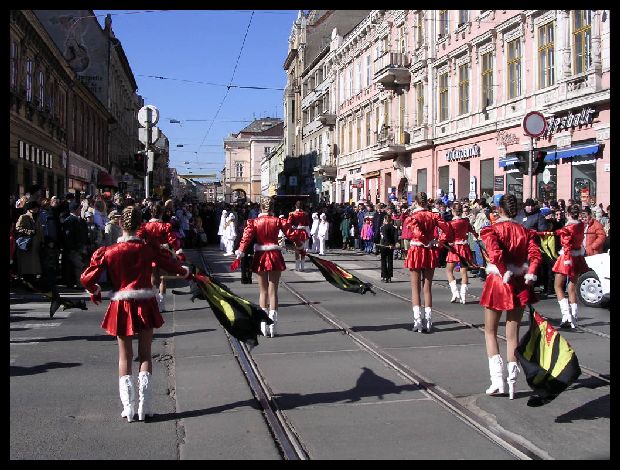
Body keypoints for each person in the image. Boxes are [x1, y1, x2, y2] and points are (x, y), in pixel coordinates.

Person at [81, 206, 192, 422]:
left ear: (120, 224)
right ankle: (145, 406)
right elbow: (171, 264)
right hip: (145, 303)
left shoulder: (109, 251)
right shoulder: (148, 249)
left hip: (121, 305)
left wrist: (94, 290)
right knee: (145, 354)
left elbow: (87, 278)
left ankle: (129, 408)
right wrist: (186, 272)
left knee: (125, 357)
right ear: (140, 225)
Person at [478, 194, 542, 400]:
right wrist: (530, 272)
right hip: (520, 281)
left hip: (499, 281)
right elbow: (535, 255)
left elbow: (495, 254)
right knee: (512, 333)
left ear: (500, 210)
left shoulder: (493, 229)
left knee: (490, 331)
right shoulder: (525, 231)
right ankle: (513, 381)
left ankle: (498, 381)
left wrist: (503, 269)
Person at [234, 197, 306, 337]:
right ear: (272, 208)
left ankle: (263, 326)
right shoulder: (278, 221)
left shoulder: (254, 222)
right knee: (273, 291)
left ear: (260, 207)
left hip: (260, 256)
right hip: (274, 255)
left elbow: (246, 238)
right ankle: (273, 326)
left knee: (263, 292)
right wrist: (299, 245)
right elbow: (292, 234)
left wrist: (240, 252)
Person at [404, 192, 453, 333]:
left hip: (416, 250)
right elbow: (448, 229)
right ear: (426, 202)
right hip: (429, 250)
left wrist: (426, 241)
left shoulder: (413, 217)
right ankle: (428, 321)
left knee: (415, 289)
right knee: (427, 288)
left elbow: (417, 233)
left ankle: (418, 322)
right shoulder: (433, 215)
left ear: (416, 202)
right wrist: (437, 242)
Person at [136, 203, 182, 313]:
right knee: (162, 279)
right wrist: (176, 250)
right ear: (161, 213)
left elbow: (138, 238)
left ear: (150, 213)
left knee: (152, 280)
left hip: (150, 255)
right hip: (163, 254)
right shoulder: (165, 226)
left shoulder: (145, 226)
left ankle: (154, 302)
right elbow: (173, 240)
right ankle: (161, 304)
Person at [551, 204, 588, 329]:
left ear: (568, 214)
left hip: (567, 258)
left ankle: (566, 315)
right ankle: (574, 317)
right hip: (577, 256)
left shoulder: (568, 228)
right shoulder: (581, 225)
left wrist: (567, 260)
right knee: (572, 287)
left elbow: (566, 245)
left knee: (557, 286)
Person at [442, 202, 477, 304]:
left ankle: (455, 292)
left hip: (454, 248)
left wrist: (443, 242)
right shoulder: (465, 222)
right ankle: (463, 295)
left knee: (449, 270)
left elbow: (444, 237)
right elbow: (473, 231)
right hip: (464, 247)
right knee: (464, 272)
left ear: (453, 211)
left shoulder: (450, 224)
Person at [60, 202, 89, 289]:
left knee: (82, 266)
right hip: (74, 248)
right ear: (75, 210)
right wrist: (73, 247)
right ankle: (77, 284)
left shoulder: (81, 221)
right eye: (79, 208)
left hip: (82, 247)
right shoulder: (69, 221)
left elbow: (85, 234)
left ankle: (81, 283)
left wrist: (85, 244)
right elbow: (67, 236)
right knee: (77, 266)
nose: (80, 210)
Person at [15, 201, 44, 283]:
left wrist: (42, 241)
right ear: (30, 208)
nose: (37, 209)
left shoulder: (37, 217)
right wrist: (29, 232)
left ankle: (32, 281)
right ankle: (27, 281)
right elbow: (18, 228)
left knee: (34, 265)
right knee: (27, 265)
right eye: (35, 207)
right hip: (27, 245)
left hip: (36, 244)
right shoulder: (24, 217)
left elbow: (40, 231)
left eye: (37, 207)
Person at [288, 200, 311, 271]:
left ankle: (297, 267)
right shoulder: (305, 214)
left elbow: (289, 223)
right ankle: (302, 267)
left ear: (295, 206)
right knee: (303, 250)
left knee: (296, 249)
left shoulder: (292, 214)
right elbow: (307, 223)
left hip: (296, 232)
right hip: (303, 232)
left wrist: (293, 228)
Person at [379, 214, 397, 282]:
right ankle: (389, 277)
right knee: (390, 261)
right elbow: (395, 237)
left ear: (385, 220)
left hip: (384, 245)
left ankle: (384, 276)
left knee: (383, 261)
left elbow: (385, 236)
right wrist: (393, 244)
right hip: (391, 246)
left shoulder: (383, 227)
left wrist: (389, 244)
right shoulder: (394, 228)